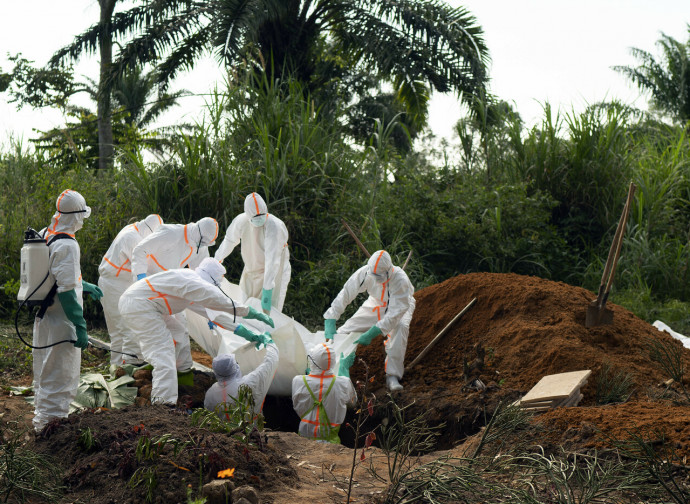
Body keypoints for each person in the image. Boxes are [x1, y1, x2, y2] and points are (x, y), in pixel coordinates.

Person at [118, 258, 273, 405]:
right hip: (140, 306)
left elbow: (216, 316)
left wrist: (248, 334)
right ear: (211, 280)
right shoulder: (193, 282)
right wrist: (250, 312)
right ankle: (164, 404)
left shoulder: (190, 284)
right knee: (163, 353)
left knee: (178, 331)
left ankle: (177, 377)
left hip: (146, 305)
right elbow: (221, 301)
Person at [32, 189, 102, 431]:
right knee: (61, 376)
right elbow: (66, 291)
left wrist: (84, 284)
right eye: (82, 216)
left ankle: (41, 423)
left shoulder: (45, 234)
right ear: (76, 216)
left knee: (45, 371)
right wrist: (79, 325)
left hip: (44, 316)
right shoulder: (68, 245)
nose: (82, 221)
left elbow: (53, 276)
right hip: (62, 322)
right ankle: (52, 430)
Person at [130, 217, 219, 372]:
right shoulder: (170, 232)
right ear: (198, 231)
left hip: (170, 285)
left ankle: (182, 369)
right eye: (203, 242)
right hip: (149, 282)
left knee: (181, 326)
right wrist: (140, 277)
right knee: (152, 326)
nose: (203, 246)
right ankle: (141, 365)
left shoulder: (200, 245)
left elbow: (203, 278)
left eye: (206, 244)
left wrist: (211, 310)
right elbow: (139, 250)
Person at [323, 250, 415, 391]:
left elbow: (394, 314)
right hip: (375, 303)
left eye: (379, 276)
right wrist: (331, 317)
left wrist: (373, 332)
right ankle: (325, 362)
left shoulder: (400, 280)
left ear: (388, 271)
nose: (376, 279)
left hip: (401, 306)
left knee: (400, 327)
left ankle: (392, 376)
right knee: (347, 329)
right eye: (373, 275)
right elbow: (346, 292)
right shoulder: (366, 273)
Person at [97, 214, 163, 368]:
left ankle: (117, 368)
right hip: (115, 285)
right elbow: (146, 265)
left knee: (117, 332)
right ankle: (130, 369)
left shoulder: (131, 228)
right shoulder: (133, 239)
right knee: (128, 327)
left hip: (112, 282)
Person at [214, 193, 290, 313]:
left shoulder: (274, 226)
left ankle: (268, 331)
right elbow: (229, 241)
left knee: (271, 311)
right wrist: (216, 260)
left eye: (261, 215)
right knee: (245, 306)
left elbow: (272, 260)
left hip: (274, 273)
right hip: (251, 269)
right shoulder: (241, 221)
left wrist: (268, 289)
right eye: (255, 216)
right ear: (248, 215)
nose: (259, 218)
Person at [292, 343, 356, 443]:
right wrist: (344, 371)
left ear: (312, 362)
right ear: (334, 362)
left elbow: (298, 404)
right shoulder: (343, 383)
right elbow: (353, 403)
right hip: (331, 444)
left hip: (303, 443)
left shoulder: (298, 381)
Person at [204, 343, 280, 419]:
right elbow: (270, 362)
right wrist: (270, 343)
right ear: (234, 367)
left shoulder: (211, 392)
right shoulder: (248, 384)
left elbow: (210, 415)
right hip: (252, 429)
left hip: (222, 430)